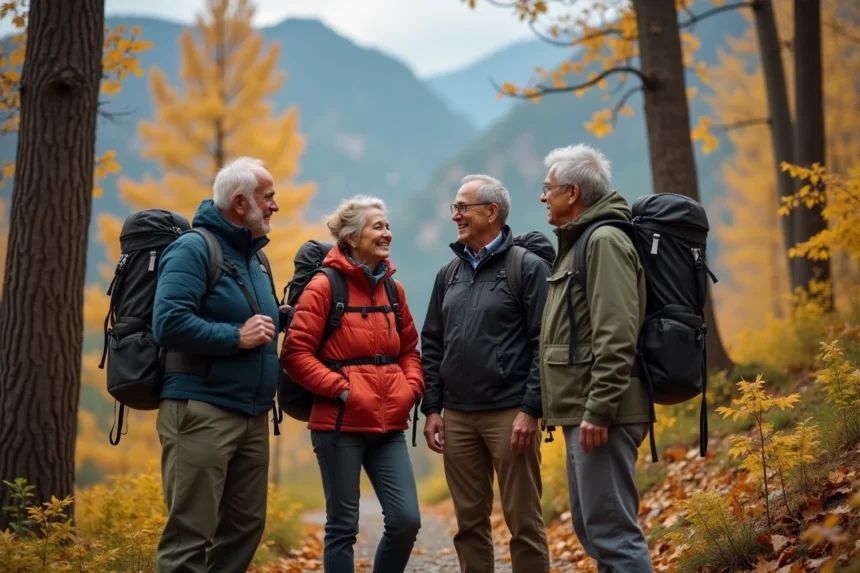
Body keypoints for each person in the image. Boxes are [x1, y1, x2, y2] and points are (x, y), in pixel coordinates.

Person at [151, 156, 282, 573]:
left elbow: (252, 317)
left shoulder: (257, 258)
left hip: (252, 412)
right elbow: (168, 322)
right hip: (200, 409)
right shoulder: (194, 248)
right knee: (190, 534)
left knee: (245, 528)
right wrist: (234, 337)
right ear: (241, 203)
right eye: (268, 197)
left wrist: (287, 316)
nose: (275, 206)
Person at [282, 195, 424, 573]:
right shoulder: (324, 287)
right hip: (339, 425)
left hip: (388, 424)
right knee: (343, 527)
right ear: (351, 236)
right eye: (378, 227)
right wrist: (343, 390)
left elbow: (410, 350)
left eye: (387, 226)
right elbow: (295, 355)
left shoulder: (393, 290)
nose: (387, 234)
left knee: (406, 520)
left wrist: (409, 390)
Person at [421, 174, 551, 573]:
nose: (456, 216)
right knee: (469, 526)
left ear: (492, 212)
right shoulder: (448, 275)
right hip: (457, 417)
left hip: (510, 414)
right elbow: (432, 342)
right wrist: (433, 408)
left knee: (523, 522)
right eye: (455, 208)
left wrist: (531, 408)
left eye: (464, 207)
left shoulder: (526, 267)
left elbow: (544, 344)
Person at [538, 143, 653, 572]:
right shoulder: (581, 242)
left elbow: (617, 332)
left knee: (614, 536)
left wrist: (600, 408)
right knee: (595, 531)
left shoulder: (603, 242)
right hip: (586, 410)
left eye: (547, 188)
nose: (543, 196)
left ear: (572, 192)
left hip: (605, 412)